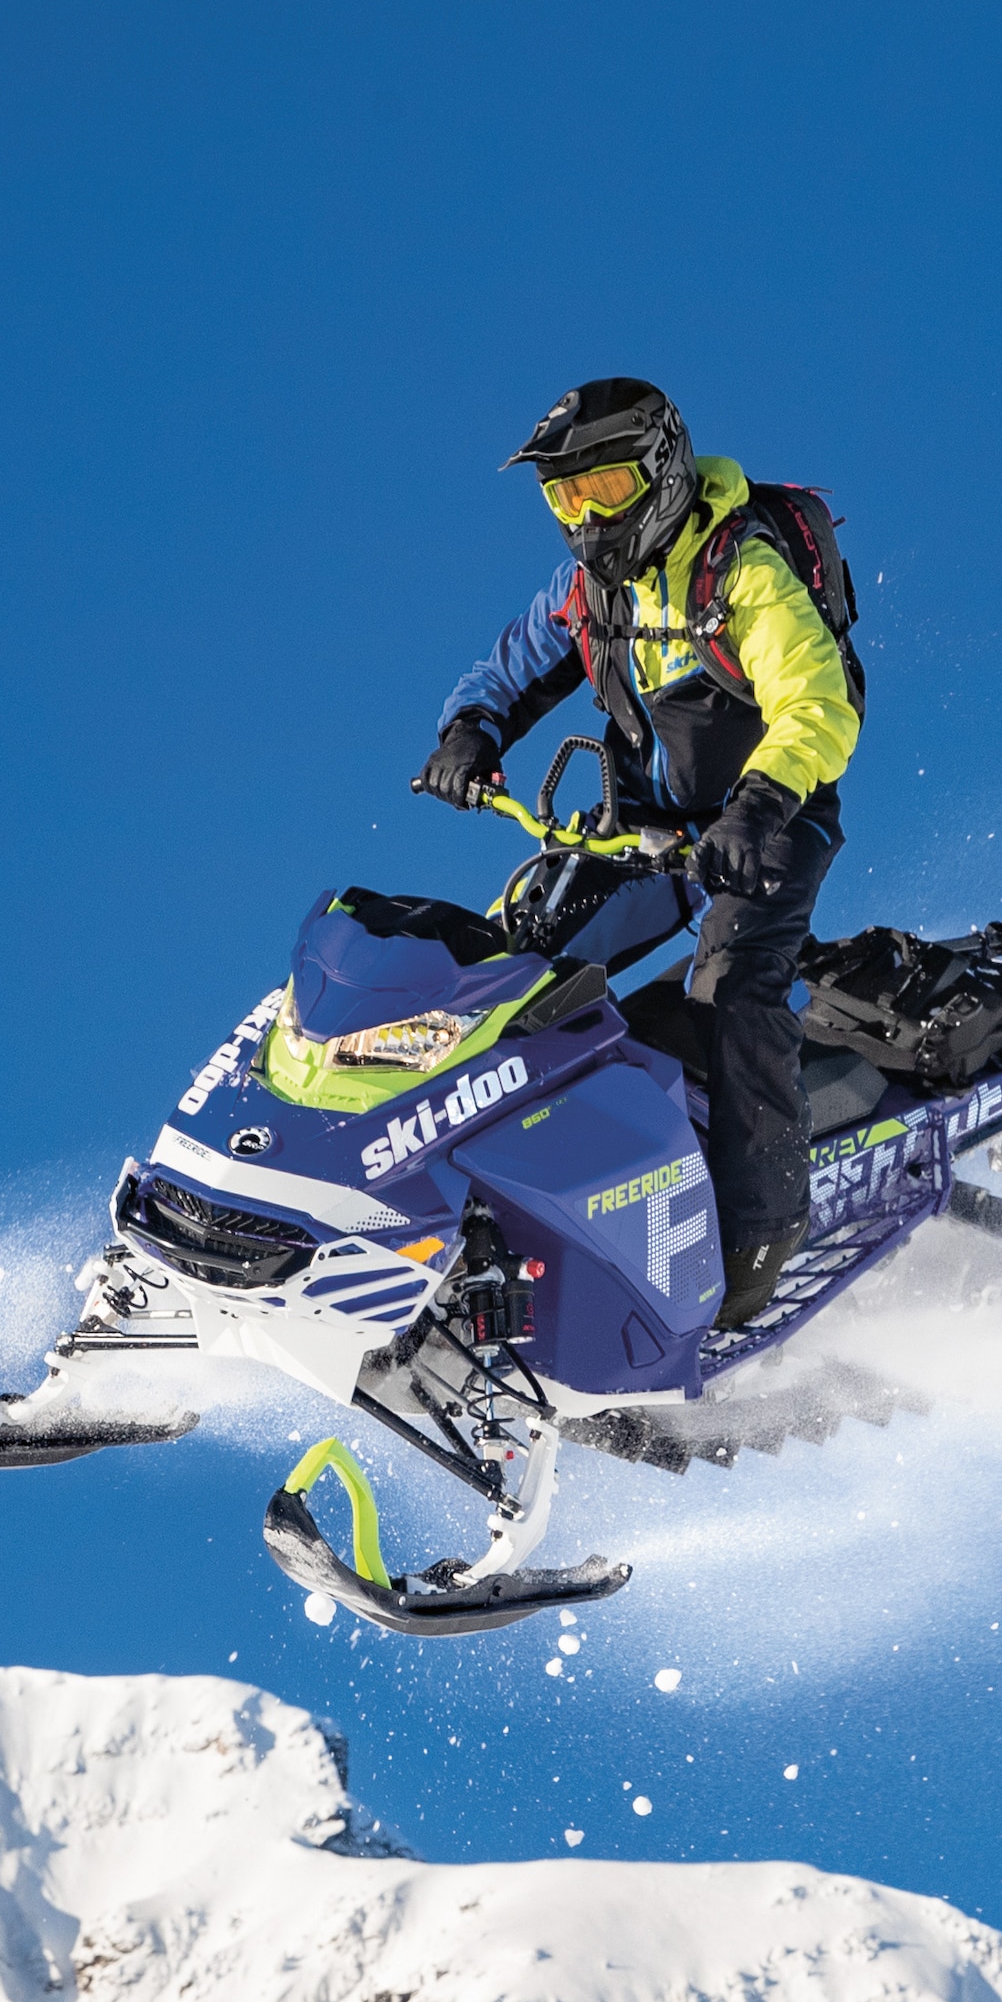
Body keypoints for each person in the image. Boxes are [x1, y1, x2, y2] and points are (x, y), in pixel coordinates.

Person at [414, 377, 860, 1329]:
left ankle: (755, 1243)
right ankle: (466, 1203)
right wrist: (468, 732)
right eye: (563, 497)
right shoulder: (590, 587)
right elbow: (509, 667)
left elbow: (817, 699)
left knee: (731, 991)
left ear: (658, 476)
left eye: (604, 489)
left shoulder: (739, 570)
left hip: (767, 828)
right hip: (647, 830)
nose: (584, 518)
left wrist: (759, 806)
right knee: (514, 965)